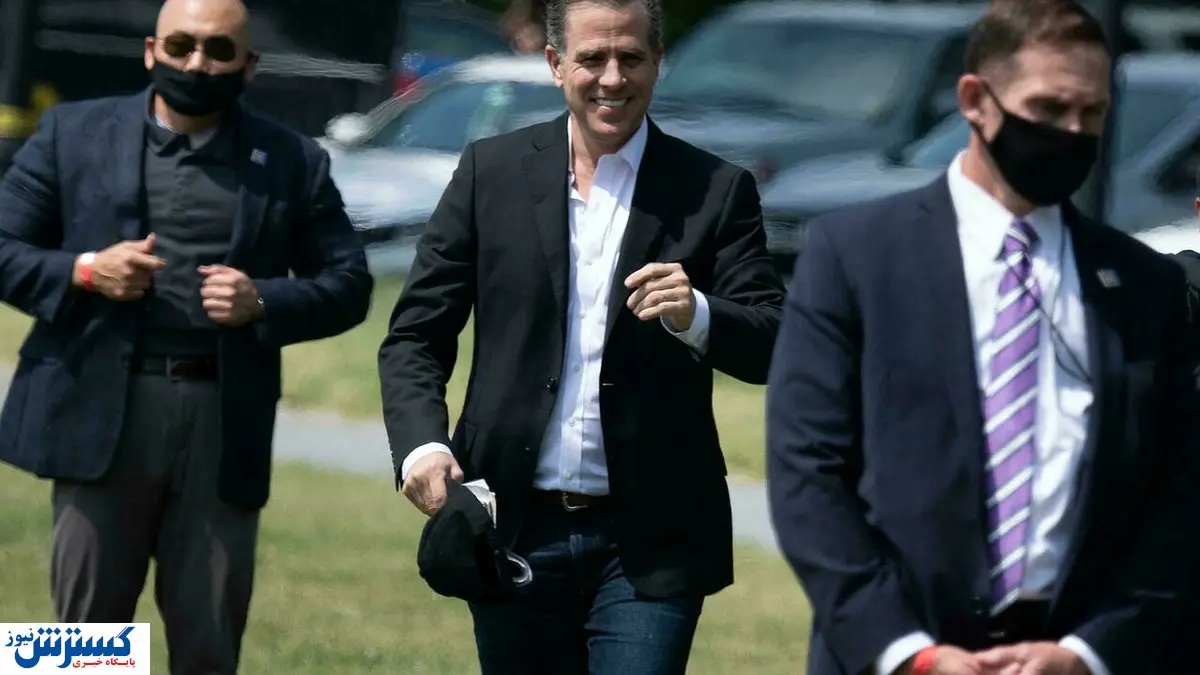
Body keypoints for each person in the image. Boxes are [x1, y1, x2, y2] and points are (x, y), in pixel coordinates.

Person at [765, 1, 1200, 674]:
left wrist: (1088, 650)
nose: (1073, 131)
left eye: (1091, 112)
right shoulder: (856, 257)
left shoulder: (1143, 285)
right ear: (975, 100)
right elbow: (807, 474)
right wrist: (908, 651)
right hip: (901, 652)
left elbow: (1176, 494)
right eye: (1049, 108)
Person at [377, 0, 785, 672]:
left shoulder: (715, 189)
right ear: (555, 63)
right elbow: (415, 335)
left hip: (651, 539)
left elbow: (771, 339)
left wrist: (698, 313)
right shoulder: (490, 173)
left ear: (659, 62)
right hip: (512, 524)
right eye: (593, 58)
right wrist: (422, 446)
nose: (612, 78)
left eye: (631, 57)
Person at [0, 0, 372, 671]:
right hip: (98, 414)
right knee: (84, 644)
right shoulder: (71, 133)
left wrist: (264, 299)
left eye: (218, 50)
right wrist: (84, 271)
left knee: (208, 642)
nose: (197, 63)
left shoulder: (292, 160)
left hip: (221, 422)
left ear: (248, 66)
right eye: (181, 45)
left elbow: (349, 284)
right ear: (152, 51)